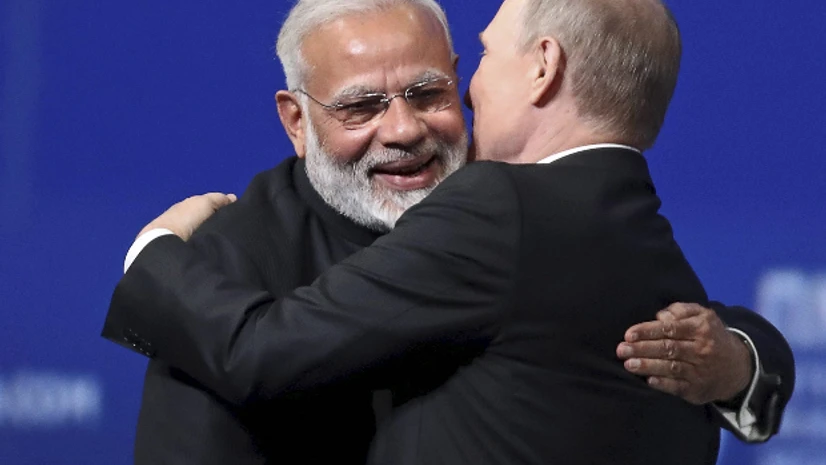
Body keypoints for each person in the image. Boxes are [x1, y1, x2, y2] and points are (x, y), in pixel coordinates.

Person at [104, 0, 794, 463]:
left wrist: (736, 360)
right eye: (362, 106)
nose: (404, 130)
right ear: (296, 120)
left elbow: (632, 299)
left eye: (429, 92)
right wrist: (156, 259)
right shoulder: (224, 270)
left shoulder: (514, 206)